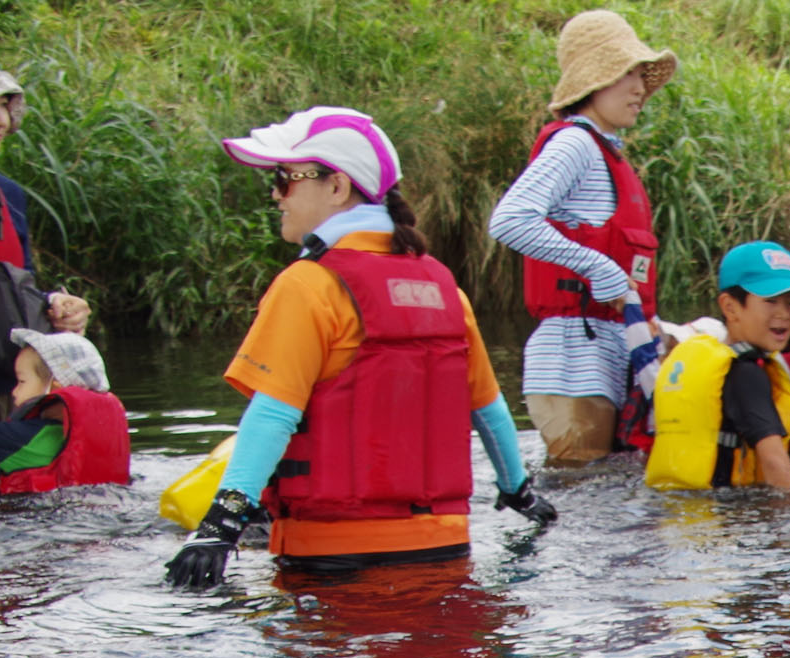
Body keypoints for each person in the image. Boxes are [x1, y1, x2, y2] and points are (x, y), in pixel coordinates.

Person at [163, 107, 555, 591]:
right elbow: (490, 412)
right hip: (445, 551)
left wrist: (220, 526)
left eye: (286, 179)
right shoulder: (444, 287)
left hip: (331, 559)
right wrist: (518, 491)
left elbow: (272, 416)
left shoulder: (308, 285)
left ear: (336, 187)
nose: (275, 193)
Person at [489, 10, 676, 465]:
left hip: (604, 356)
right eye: (625, 74)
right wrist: (600, 268)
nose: (639, 88)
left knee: (602, 502)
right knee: (579, 499)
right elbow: (510, 219)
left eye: (639, 74)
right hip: (572, 362)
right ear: (593, 83)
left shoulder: (605, 152)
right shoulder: (575, 144)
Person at [645, 241, 790, 492]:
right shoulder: (746, 373)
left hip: (677, 510)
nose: (784, 314)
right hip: (726, 519)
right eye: (771, 300)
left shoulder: (698, 358)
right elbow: (774, 460)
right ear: (730, 307)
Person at [0, 50, 90, 405]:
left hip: (2, 390)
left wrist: (55, 305)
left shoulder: (8, 195)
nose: (0, 120)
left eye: (3, 105)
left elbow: (12, 287)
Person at [0, 328, 128, 492]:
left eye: (22, 381)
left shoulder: (32, 438)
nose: (14, 392)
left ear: (55, 388)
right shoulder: (80, 433)